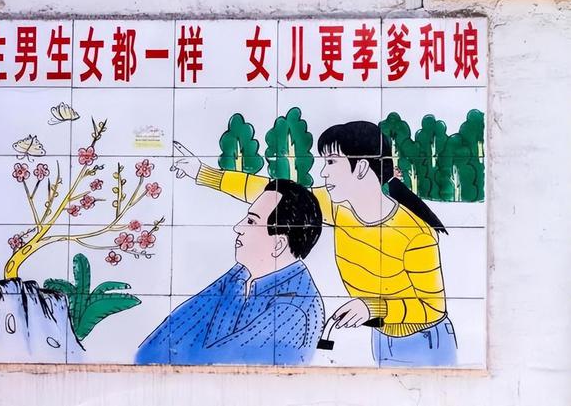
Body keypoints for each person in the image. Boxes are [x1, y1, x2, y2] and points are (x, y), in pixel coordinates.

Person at [171, 120, 457, 367]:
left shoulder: (416, 234)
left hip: (426, 341)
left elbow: (432, 309)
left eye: (331, 162)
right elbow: (273, 194)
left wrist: (374, 308)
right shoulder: (337, 207)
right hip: (383, 337)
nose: (324, 173)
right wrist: (203, 173)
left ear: (361, 167)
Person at [135, 180, 324, 365]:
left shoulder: (295, 307)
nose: (238, 227)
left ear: (278, 244)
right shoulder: (240, 276)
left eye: (251, 221)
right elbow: (158, 345)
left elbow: (221, 365)